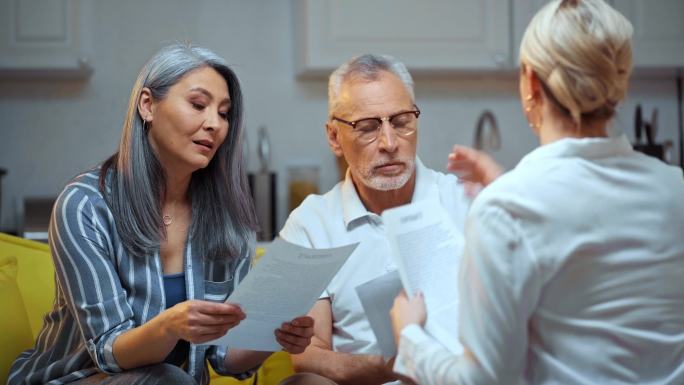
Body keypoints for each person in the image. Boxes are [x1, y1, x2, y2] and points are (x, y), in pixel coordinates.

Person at [390, 0, 684, 384]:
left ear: (531, 84)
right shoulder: (675, 186)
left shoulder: (507, 210)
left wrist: (410, 337)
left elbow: (484, 381)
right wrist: (505, 188)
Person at [8, 44, 315, 385]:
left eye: (224, 113)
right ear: (148, 105)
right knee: (167, 379)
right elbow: (108, 352)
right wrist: (171, 325)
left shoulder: (229, 218)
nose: (214, 124)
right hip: (80, 378)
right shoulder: (84, 206)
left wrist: (273, 335)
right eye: (198, 105)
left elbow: (224, 358)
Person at [279, 54, 501, 385]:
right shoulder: (311, 223)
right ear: (334, 138)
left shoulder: (465, 201)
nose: (389, 143)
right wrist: (391, 366)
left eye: (400, 122)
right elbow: (308, 354)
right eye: (367, 128)